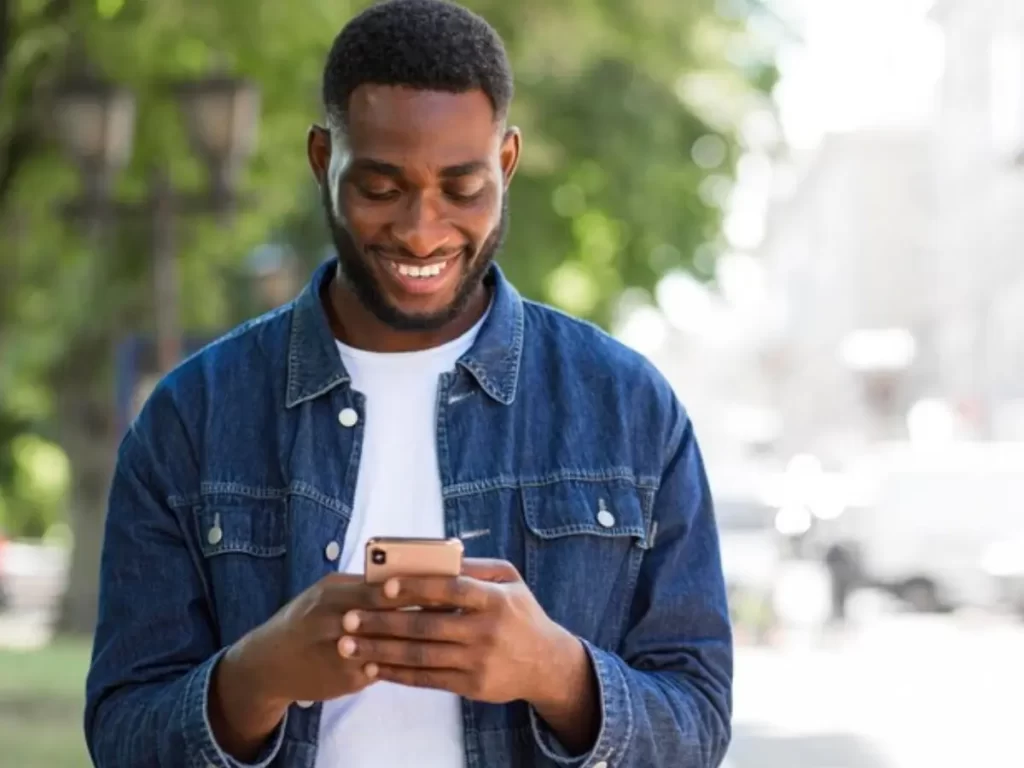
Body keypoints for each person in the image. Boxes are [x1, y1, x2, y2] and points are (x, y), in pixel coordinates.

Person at [83, 1, 733, 766]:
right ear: (324, 161)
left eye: (462, 189)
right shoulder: (191, 417)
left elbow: (698, 720)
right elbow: (123, 733)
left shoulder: (628, 407)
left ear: (509, 162)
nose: (422, 231)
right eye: (381, 189)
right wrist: (257, 678)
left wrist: (557, 674)